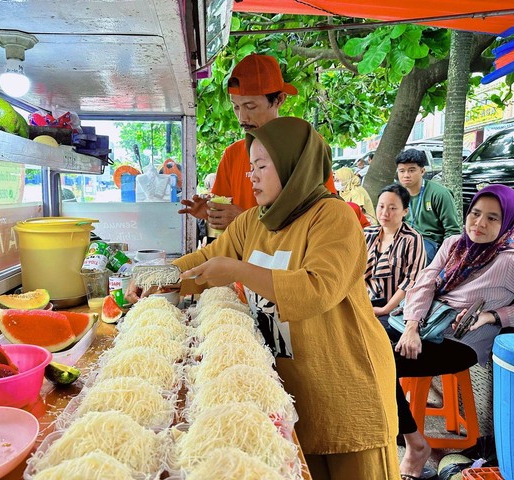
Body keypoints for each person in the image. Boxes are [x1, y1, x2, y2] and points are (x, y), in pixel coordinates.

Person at [129, 117, 400, 479]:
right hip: (289, 385)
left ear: (294, 165)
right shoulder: (255, 220)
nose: (250, 176)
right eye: (249, 167)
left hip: (343, 386)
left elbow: (316, 288)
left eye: (261, 166)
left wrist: (238, 271)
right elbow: (208, 261)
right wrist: (155, 275)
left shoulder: (333, 217)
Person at [392, 184, 514, 480]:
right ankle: (395, 428)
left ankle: (415, 445)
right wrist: (413, 327)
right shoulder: (454, 244)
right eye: (475, 213)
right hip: (425, 326)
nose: (479, 223)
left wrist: (494, 315)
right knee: (362, 344)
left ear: (507, 222)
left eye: (493, 218)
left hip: (462, 342)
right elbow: (424, 284)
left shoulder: (513, 261)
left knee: (380, 364)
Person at [178, 53, 335, 231]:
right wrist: (213, 213)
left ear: (279, 100)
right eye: (236, 107)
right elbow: (226, 224)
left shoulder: (306, 146)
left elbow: (322, 218)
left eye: (250, 106)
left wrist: (243, 219)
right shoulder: (233, 154)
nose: (242, 118)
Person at [364, 184, 426, 324]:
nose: (385, 213)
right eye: (381, 206)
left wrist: (385, 309)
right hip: (363, 303)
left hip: (394, 310)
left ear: (405, 211)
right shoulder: (367, 234)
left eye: (392, 208)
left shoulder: (412, 239)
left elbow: (411, 281)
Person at [395, 149, 462, 264]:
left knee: (413, 260)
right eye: (402, 171)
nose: (406, 175)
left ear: (422, 171)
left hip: (430, 242)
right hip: (405, 239)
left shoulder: (439, 194)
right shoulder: (397, 194)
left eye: (411, 170)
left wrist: (444, 257)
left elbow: (453, 231)